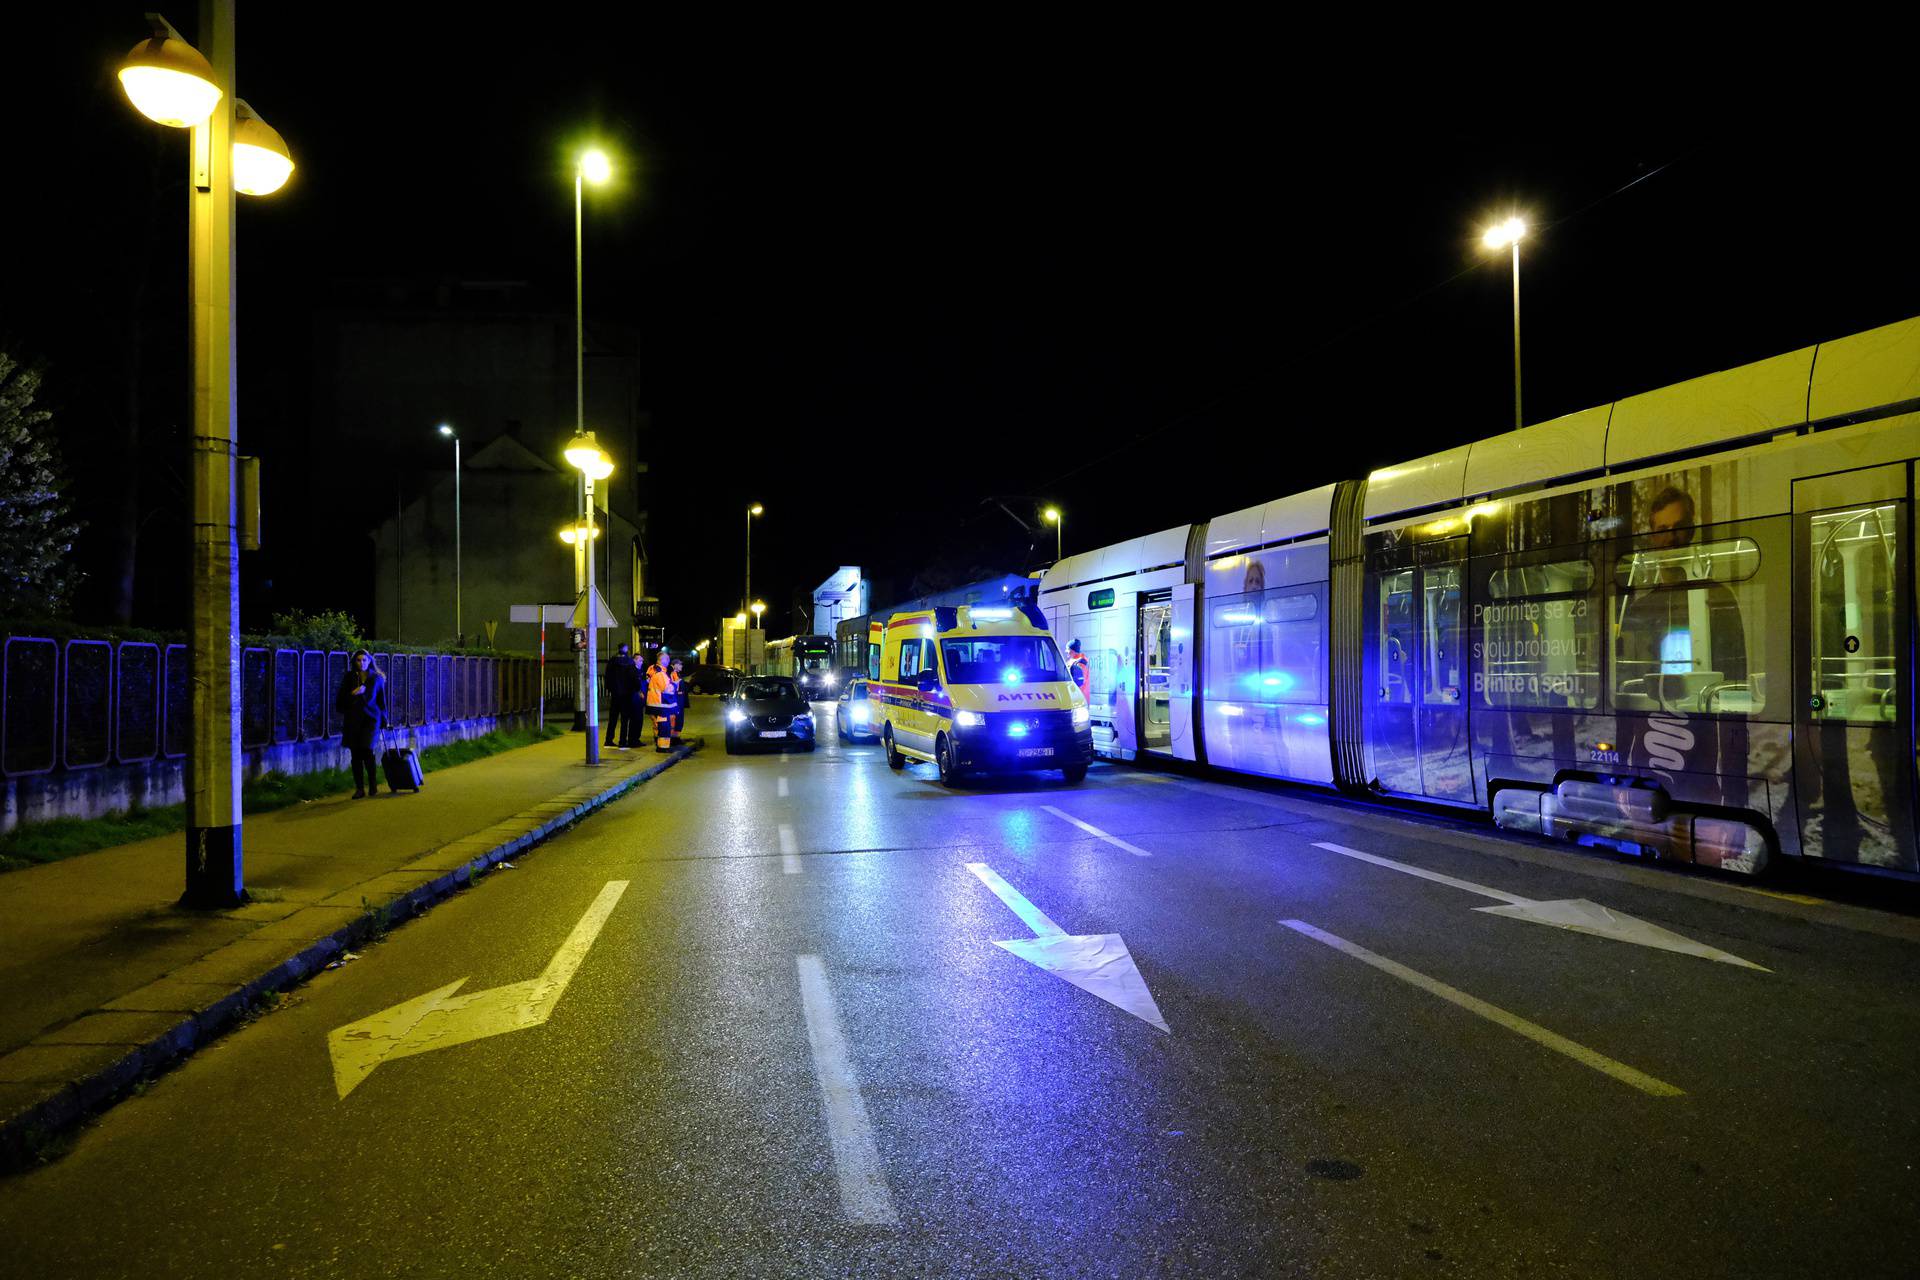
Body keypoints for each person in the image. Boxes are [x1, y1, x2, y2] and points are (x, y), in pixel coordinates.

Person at [336, 649, 388, 798]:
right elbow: (340, 701)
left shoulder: (376, 678)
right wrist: (353, 693)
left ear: (370, 661)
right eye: (358, 660)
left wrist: (384, 719)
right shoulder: (349, 677)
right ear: (354, 662)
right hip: (353, 720)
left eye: (364, 660)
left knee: (367, 751)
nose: (362, 663)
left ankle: (372, 785)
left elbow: (381, 701)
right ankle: (359, 788)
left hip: (371, 720)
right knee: (355, 754)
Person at [604, 643, 634, 748]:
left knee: (613, 718)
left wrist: (610, 689)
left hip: (615, 694)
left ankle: (608, 740)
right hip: (626, 694)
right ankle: (622, 742)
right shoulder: (630, 661)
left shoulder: (612, 660)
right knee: (625, 719)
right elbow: (633, 677)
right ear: (626, 649)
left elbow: (607, 676)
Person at [646, 648, 674, 751]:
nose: (668, 662)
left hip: (653, 704)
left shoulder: (653, 671)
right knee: (664, 727)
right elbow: (666, 688)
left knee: (657, 725)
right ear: (662, 660)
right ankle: (662, 747)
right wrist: (674, 686)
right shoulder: (661, 674)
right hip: (661, 705)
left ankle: (659, 744)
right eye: (667, 660)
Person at [669, 657, 687, 741]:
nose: (682, 666)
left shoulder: (677, 674)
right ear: (675, 665)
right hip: (677, 700)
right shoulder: (673, 674)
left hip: (680, 700)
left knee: (679, 719)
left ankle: (677, 737)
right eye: (680, 664)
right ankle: (674, 739)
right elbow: (673, 687)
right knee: (677, 719)